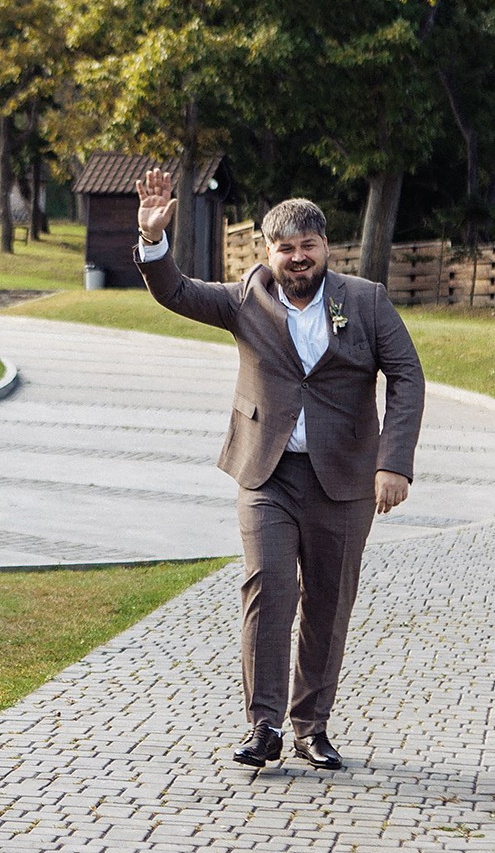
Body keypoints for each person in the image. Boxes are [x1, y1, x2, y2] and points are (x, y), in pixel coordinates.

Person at [132, 169, 425, 770]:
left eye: (307, 247)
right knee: (268, 588)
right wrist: (154, 239)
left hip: (343, 480)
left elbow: (407, 377)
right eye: (285, 248)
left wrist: (392, 463)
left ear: (325, 248)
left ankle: (310, 727)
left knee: (327, 601)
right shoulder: (247, 299)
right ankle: (263, 725)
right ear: (268, 253)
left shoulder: (365, 301)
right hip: (267, 473)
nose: (297, 258)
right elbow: (177, 292)